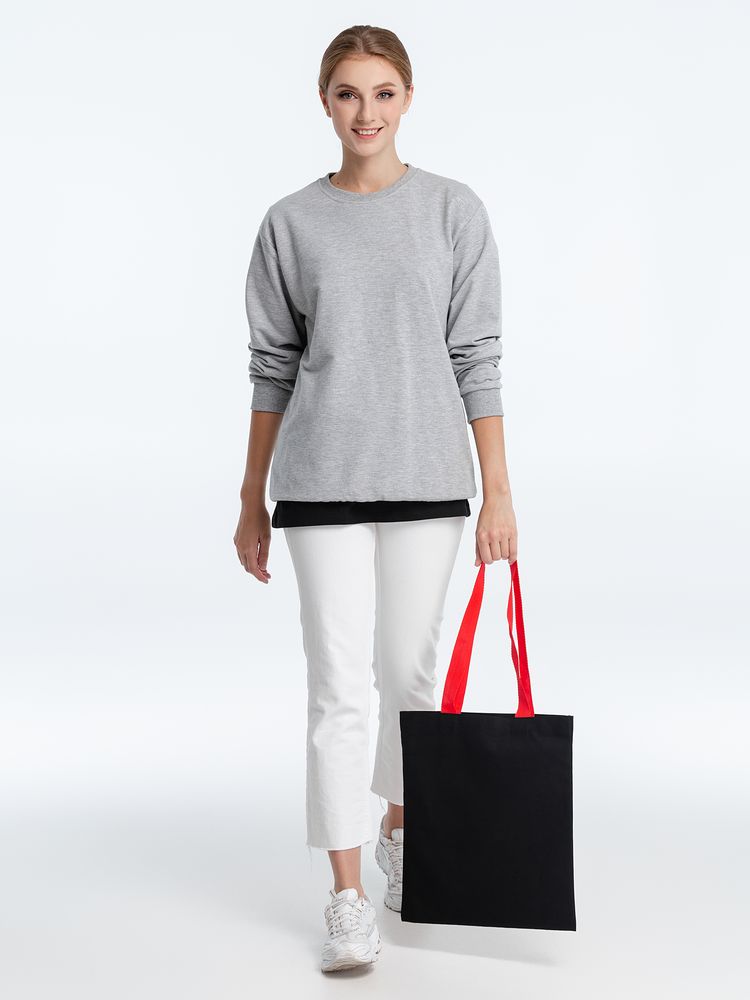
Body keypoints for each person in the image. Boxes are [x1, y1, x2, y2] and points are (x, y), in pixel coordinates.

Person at [233, 24, 518, 974]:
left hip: (430, 480)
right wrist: (250, 496)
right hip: (319, 482)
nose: (367, 112)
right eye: (349, 93)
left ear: (408, 98)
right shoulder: (291, 223)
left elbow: (477, 356)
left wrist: (498, 492)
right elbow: (271, 366)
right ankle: (347, 895)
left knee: (411, 683)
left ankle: (399, 830)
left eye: (383, 92)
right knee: (336, 689)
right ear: (325, 102)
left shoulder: (452, 211)